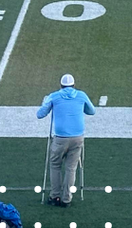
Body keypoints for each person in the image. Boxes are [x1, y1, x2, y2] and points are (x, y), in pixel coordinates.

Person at [37, 73, 96, 208]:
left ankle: (55, 196)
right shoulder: (81, 95)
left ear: (61, 85)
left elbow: (40, 114)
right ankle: (66, 198)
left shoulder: (54, 96)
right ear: (74, 85)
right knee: (71, 168)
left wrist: (46, 103)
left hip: (60, 137)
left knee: (55, 165)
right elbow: (91, 111)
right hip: (77, 137)